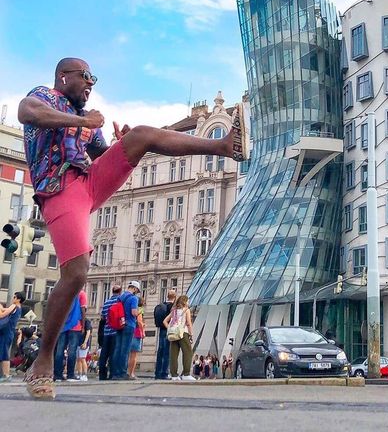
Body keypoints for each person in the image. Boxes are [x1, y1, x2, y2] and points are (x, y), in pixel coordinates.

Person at [19, 57, 249, 399]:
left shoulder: (87, 121)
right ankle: (43, 361)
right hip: (59, 188)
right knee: (77, 272)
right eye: (85, 77)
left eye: (93, 78)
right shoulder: (44, 97)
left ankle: (223, 146)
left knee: (141, 135)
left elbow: (101, 153)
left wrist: (119, 145)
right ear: (64, 77)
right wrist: (80, 120)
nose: (91, 83)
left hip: (90, 180)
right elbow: (29, 113)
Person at [53, 290, 87, 382]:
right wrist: (83, 326)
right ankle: (70, 375)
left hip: (63, 325)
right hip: (75, 325)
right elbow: (83, 310)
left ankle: (57, 375)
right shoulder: (81, 293)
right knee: (72, 351)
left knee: (59, 351)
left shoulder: (64, 292)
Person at [112, 281, 140, 379]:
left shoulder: (120, 297)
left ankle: (115, 372)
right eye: (137, 290)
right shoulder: (134, 298)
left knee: (118, 348)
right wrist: (139, 313)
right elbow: (134, 312)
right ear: (135, 289)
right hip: (129, 325)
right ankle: (122, 373)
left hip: (120, 324)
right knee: (125, 350)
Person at [163, 295, 195, 382]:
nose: (188, 303)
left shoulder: (174, 311)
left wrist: (170, 328)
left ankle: (174, 375)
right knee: (188, 352)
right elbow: (188, 323)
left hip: (173, 334)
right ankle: (186, 374)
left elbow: (165, 321)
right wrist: (191, 334)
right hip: (183, 333)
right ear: (185, 302)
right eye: (187, 301)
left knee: (173, 354)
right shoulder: (186, 310)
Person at [98, 284, 122, 380]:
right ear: (120, 292)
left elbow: (103, 316)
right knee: (113, 353)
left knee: (104, 354)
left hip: (106, 331)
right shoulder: (119, 301)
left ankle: (102, 374)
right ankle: (112, 373)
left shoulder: (107, 302)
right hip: (116, 331)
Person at [0, 292, 25, 381]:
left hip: (5, 332)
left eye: (14, 297)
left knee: (4, 353)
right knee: (3, 352)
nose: (13, 298)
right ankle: (5, 375)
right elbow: (5, 310)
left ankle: (6, 375)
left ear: (18, 299)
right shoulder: (18, 308)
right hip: (9, 332)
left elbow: (2, 314)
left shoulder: (14, 306)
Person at [154, 289, 176, 380]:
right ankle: (164, 373)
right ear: (174, 297)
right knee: (167, 352)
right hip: (168, 330)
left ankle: (157, 373)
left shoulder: (161, 305)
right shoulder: (172, 307)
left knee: (160, 351)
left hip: (161, 330)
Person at [127, 296, 145, 379]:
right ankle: (131, 373)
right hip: (137, 332)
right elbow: (139, 321)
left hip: (130, 331)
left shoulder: (131, 308)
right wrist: (143, 331)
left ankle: (127, 372)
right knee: (134, 355)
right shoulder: (140, 310)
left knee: (128, 354)